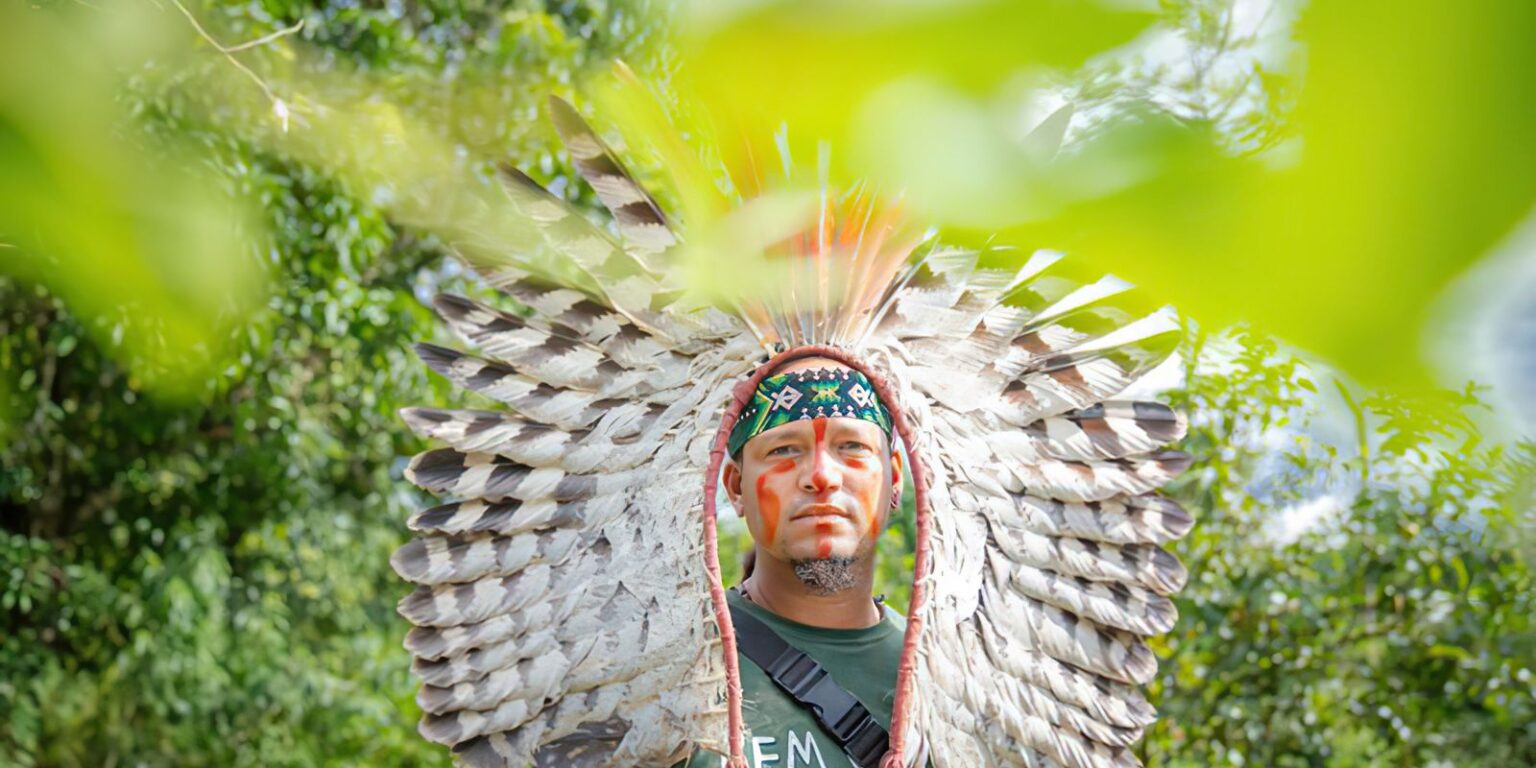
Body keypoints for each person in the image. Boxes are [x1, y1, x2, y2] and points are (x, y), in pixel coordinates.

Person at [675, 356, 907, 768]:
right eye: (784, 450)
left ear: (894, 478)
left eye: (852, 447)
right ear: (735, 487)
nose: (821, 476)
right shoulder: (664, 675)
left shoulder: (956, 680)